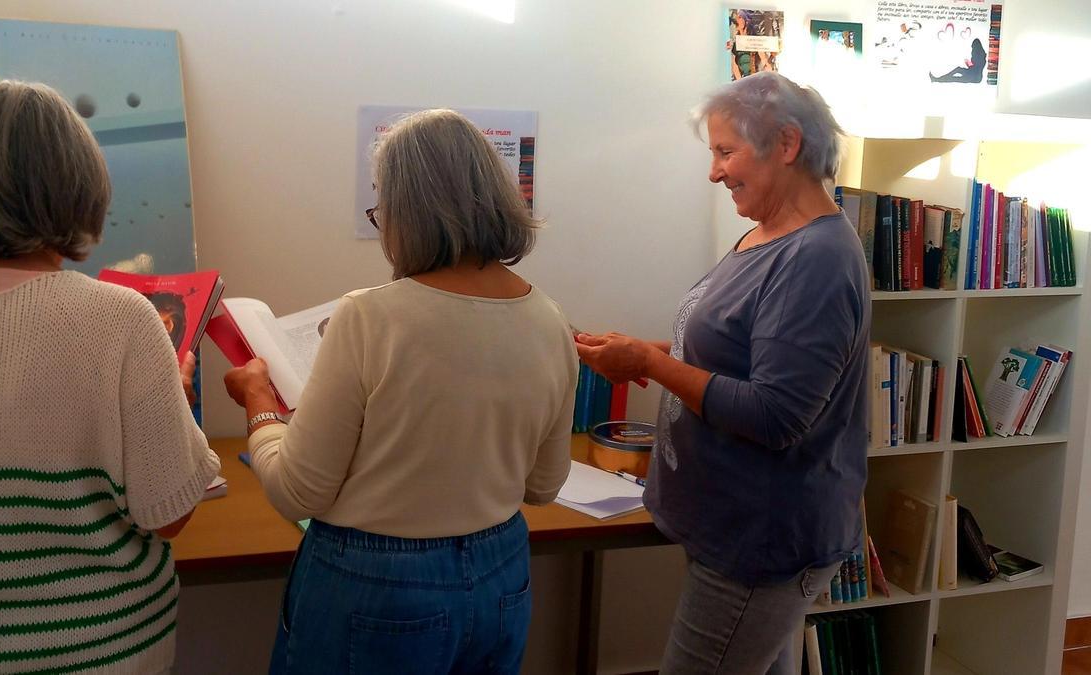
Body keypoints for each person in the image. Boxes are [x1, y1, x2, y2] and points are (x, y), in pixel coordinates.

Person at [222, 109, 577, 675]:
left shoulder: (370, 315)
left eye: (382, 205)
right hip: (502, 571)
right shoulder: (550, 319)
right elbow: (543, 485)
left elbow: (297, 493)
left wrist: (260, 402)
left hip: (379, 584)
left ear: (409, 211)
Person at [0, 81, 220, 674]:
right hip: (103, 653)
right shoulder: (120, 321)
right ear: (79, 188)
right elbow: (167, 515)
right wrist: (176, 394)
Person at [575, 72, 870, 674]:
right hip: (732, 526)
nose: (714, 173)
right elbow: (731, 352)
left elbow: (775, 415)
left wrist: (651, 363)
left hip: (762, 540)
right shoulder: (767, 234)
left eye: (726, 152)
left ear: (786, 145)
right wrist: (640, 349)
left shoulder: (815, 259)